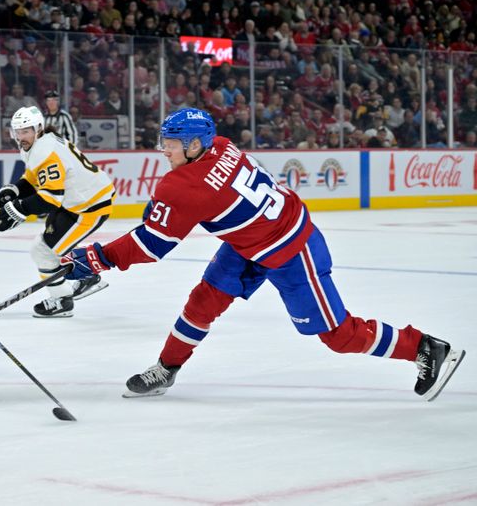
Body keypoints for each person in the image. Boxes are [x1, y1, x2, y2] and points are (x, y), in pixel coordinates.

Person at [63, 107, 465, 401]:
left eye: (169, 144)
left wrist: (96, 257)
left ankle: (424, 347)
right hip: (250, 243)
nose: (162, 151)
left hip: (292, 247)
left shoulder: (183, 186)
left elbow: (152, 245)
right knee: (202, 302)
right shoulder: (221, 146)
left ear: (194, 144)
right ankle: (166, 369)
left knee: (338, 336)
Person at [0, 106, 115, 317]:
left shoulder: (44, 150)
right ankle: (82, 278)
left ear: (38, 128)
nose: (21, 136)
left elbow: (50, 198)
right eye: (17, 131)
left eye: (25, 131)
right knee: (47, 248)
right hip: (75, 203)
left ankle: (65, 297)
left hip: (89, 207)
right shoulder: (40, 142)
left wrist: (19, 208)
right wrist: (14, 190)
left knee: (44, 251)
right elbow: (33, 178)